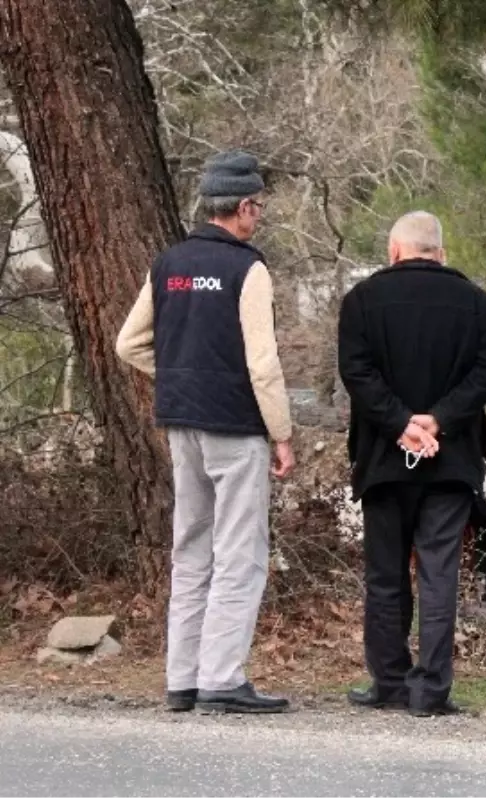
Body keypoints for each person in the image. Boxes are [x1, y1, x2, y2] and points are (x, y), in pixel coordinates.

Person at [115, 150, 295, 714]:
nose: (259, 216)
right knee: (240, 552)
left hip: (180, 423)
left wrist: (179, 376)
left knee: (191, 550)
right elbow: (262, 364)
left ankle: (183, 680)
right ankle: (222, 679)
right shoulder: (249, 268)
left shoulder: (168, 263)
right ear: (242, 207)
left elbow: (128, 344)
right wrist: (282, 433)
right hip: (236, 427)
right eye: (258, 206)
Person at [338, 210, 486, 716]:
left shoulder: (362, 301)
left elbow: (357, 373)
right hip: (451, 459)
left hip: (384, 459)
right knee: (438, 574)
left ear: (394, 251)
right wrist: (438, 421)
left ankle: (388, 680)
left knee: (386, 574)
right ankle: (430, 690)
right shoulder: (477, 304)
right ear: (441, 251)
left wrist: (401, 424)